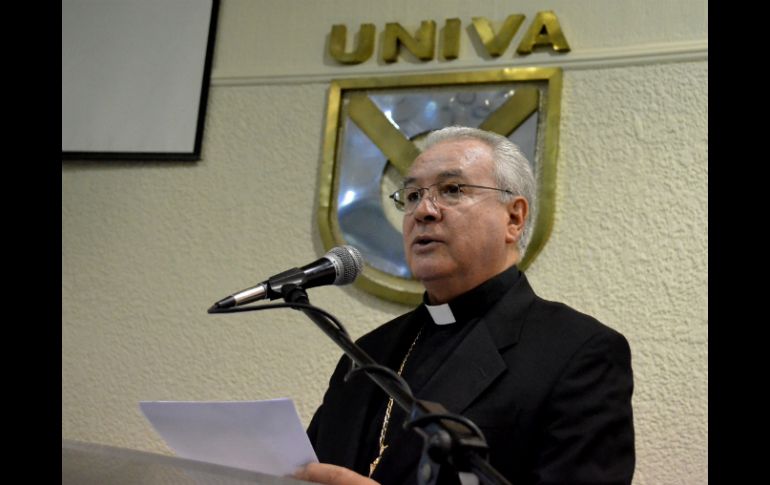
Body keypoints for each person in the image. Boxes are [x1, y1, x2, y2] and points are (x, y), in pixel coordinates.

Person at [298, 126, 635, 485]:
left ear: (514, 218)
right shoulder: (366, 355)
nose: (423, 211)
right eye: (412, 195)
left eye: (452, 190)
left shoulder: (577, 353)